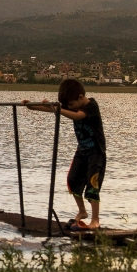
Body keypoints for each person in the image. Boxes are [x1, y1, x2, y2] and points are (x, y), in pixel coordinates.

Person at [24, 79, 107, 230]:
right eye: (68, 106)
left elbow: (77, 116)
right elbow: (53, 109)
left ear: (81, 97)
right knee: (72, 180)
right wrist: (32, 106)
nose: (70, 108)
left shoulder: (91, 106)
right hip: (82, 151)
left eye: (71, 105)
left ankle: (95, 220)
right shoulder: (72, 105)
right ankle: (82, 211)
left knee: (92, 185)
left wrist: (58, 109)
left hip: (96, 152)